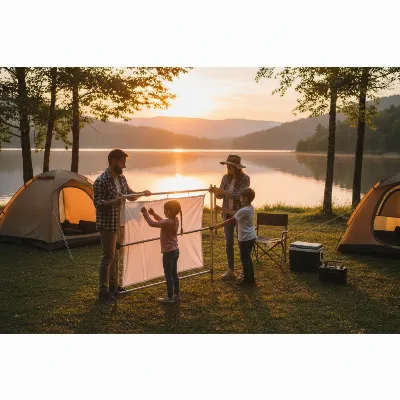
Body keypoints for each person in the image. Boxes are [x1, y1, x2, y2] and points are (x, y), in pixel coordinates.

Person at [93, 148, 151, 302]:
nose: (124, 166)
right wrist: (114, 202)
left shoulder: (122, 179)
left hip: (121, 223)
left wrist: (142, 193)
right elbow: (97, 203)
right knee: (107, 257)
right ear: (113, 161)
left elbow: (130, 196)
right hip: (108, 224)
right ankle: (103, 291)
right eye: (122, 162)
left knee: (117, 255)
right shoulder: (101, 180)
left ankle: (114, 286)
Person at [211, 154, 250, 281]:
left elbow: (238, 195)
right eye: (227, 164)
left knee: (241, 243)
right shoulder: (225, 178)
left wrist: (221, 191)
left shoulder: (245, 179)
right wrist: (215, 192)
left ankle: (244, 271)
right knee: (229, 243)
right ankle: (230, 270)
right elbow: (220, 196)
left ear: (237, 167)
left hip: (239, 214)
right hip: (227, 214)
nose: (228, 166)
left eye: (231, 165)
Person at [141, 200, 183, 304]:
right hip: (175, 251)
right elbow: (163, 222)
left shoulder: (168, 222)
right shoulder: (175, 220)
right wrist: (154, 214)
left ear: (168, 211)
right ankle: (177, 295)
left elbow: (152, 224)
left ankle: (169, 297)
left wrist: (145, 213)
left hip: (168, 253)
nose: (164, 212)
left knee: (168, 275)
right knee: (174, 274)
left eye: (165, 210)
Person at [213, 188, 256, 287]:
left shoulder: (243, 210)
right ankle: (251, 279)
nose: (239, 198)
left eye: (240, 197)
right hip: (251, 237)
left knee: (244, 260)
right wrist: (221, 208)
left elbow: (231, 219)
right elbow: (235, 213)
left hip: (245, 239)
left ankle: (246, 281)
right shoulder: (250, 208)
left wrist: (218, 226)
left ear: (245, 198)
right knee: (248, 259)